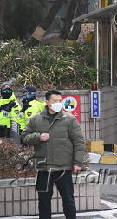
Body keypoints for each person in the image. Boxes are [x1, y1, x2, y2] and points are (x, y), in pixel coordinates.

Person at [22, 90, 86, 219]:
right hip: (44, 168)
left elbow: (79, 142)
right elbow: (24, 137)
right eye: (54, 101)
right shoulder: (36, 119)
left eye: (59, 101)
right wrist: (38, 137)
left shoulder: (69, 119)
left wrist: (78, 162)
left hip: (64, 168)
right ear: (47, 102)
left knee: (68, 200)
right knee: (44, 202)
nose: (58, 103)